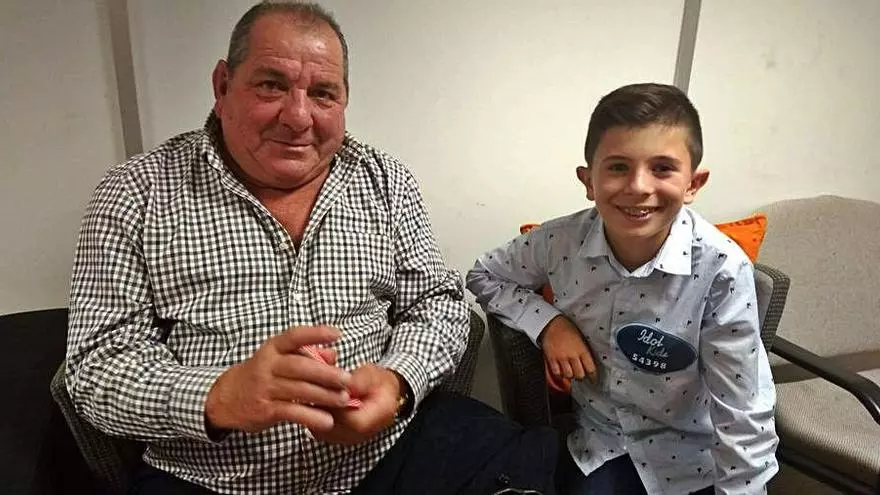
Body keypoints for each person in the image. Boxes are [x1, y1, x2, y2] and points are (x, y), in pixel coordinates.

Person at [65, 2, 556, 494]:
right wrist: (217, 396)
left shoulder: (385, 180)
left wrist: (396, 382)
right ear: (222, 85)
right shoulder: (135, 193)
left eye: (322, 93)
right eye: (271, 85)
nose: (298, 117)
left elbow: (439, 305)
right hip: (213, 477)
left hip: (387, 453)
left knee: (538, 466)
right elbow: (95, 369)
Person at [467, 83, 778, 494]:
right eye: (617, 167)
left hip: (694, 453)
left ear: (693, 183)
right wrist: (550, 325)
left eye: (662, 168)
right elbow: (484, 275)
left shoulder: (722, 269)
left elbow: (742, 408)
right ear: (588, 180)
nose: (638, 186)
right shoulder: (558, 242)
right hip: (603, 443)